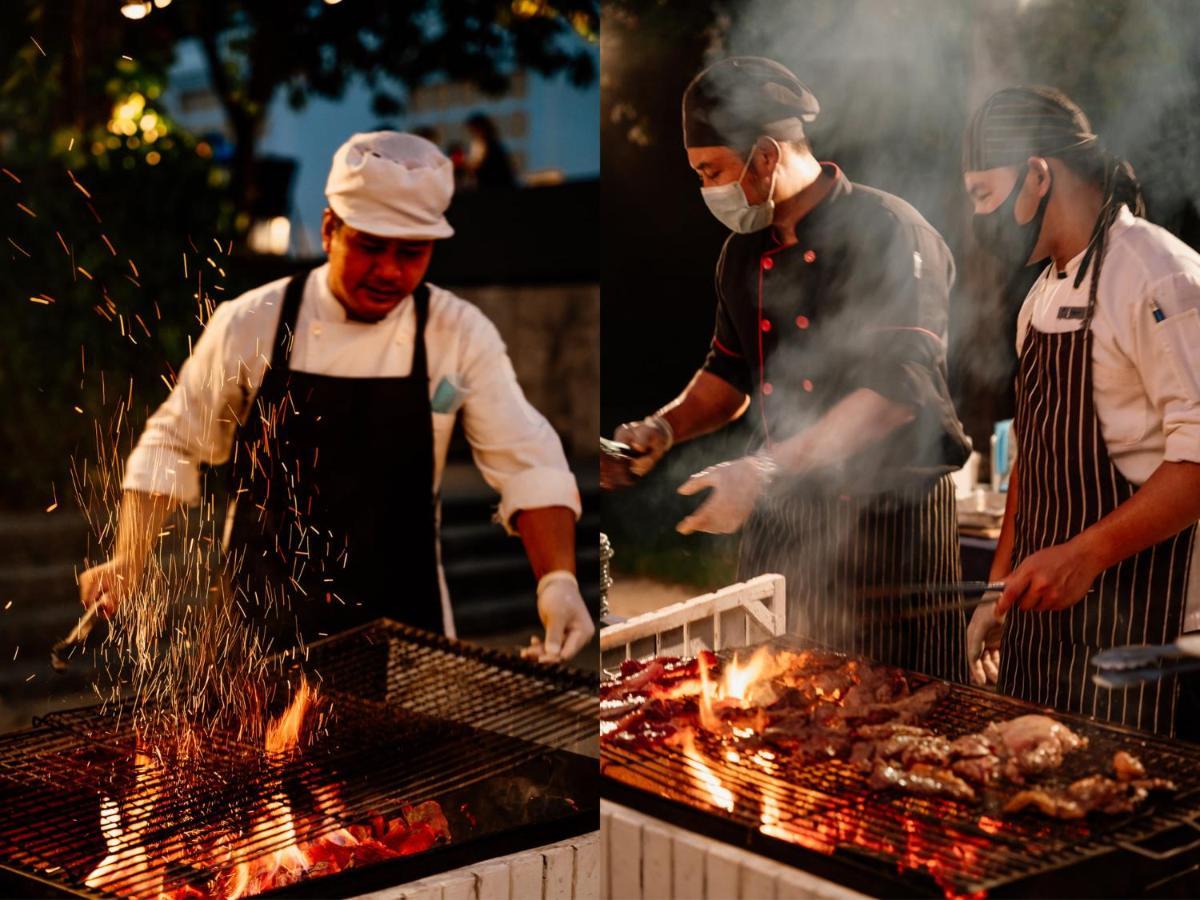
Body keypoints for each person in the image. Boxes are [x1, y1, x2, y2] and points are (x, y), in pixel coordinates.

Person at [79, 132, 593, 662]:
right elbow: (174, 442)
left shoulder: (457, 333)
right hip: (258, 631)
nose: (390, 271)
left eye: (411, 253)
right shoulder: (253, 321)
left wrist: (557, 581)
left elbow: (527, 459)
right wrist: (128, 560)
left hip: (405, 630)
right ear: (330, 231)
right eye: (371, 246)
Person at [615, 57, 972, 681]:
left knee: (905, 708)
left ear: (766, 157)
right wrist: (662, 429)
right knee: (772, 698)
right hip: (786, 514)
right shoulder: (741, 253)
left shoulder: (886, 230)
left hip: (890, 523)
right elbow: (727, 374)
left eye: (713, 172)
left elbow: (896, 393)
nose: (707, 191)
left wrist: (761, 470)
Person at [962, 87, 1200, 736]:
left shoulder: (1162, 276)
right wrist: (998, 581)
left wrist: (1086, 554)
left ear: (1038, 175)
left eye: (985, 196)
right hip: (1048, 637)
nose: (980, 218)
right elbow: (1035, 459)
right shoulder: (1039, 299)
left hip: (1151, 636)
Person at [464, 112, 517, 189]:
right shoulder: (478, 144)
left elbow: (487, 169)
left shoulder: (492, 146)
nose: (474, 132)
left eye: (475, 129)